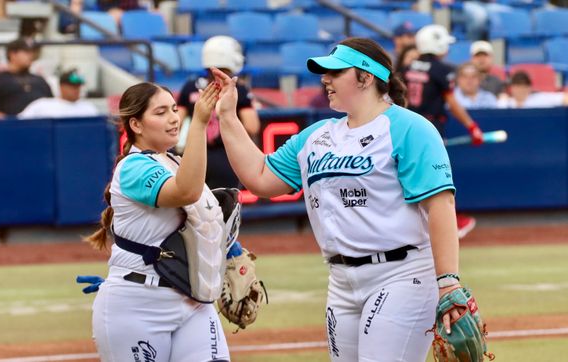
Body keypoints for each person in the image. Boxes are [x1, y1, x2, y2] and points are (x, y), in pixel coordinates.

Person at [212, 37, 472, 361]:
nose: (325, 79)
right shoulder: (317, 136)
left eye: (335, 72)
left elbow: (441, 206)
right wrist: (227, 116)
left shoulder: (409, 128)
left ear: (365, 77)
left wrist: (448, 282)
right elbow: (261, 178)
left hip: (402, 275)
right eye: (324, 73)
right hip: (341, 281)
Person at [83, 80, 232, 362]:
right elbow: (186, 191)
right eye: (161, 112)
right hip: (138, 304)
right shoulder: (133, 167)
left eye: (175, 109)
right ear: (136, 125)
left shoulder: (173, 162)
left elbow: (201, 223)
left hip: (193, 299)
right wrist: (198, 124)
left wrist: (232, 253)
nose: (174, 118)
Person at [401, 24, 483, 238]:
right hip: (430, 129)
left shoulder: (407, 67)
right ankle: (449, 223)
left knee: (411, 177)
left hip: (407, 127)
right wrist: (472, 126)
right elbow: (452, 101)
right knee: (437, 178)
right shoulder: (442, 69)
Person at [177, 35, 260, 189]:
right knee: (225, 209)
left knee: (192, 208)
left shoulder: (190, 86)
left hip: (193, 156)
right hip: (225, 156)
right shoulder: (237, 89)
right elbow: (252, 126)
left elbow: (176, 122)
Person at [0, 38, 53, 119]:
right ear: (12, 54)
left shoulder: (40, 80)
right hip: (11, 128)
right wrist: (5, 120)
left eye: (32, 52)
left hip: (41, 126)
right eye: (26, 52)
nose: (31, 56)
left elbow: (52, 104)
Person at [18, 69, 99, 119]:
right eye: (73, 86)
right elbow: (20, 123)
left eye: (78, 86)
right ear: (61, 86)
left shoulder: (89, 108)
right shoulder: (42, 105)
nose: (76, 90)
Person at [497, 71, 568, 108]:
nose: (520, 90)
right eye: (517, 86)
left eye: (524, 86)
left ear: (529, 88)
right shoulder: (504, 103)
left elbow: (564, 98)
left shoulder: (539, 99)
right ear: (511, 88)